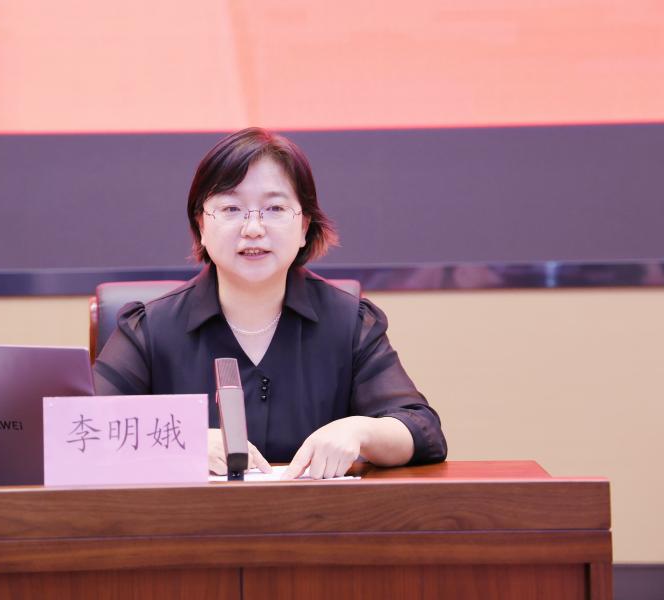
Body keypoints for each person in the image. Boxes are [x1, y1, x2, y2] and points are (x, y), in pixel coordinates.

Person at [94, 127, 447, 479]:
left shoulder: (348, 322)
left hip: (314, 515)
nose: (253, 229)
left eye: (275, 208)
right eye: (231, 208)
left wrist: (360, 431)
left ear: (304, 226)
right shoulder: (151, 328)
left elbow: (421, 430)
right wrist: (183, 441)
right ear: (201, 225)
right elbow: (82, 430)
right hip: (188, 515)